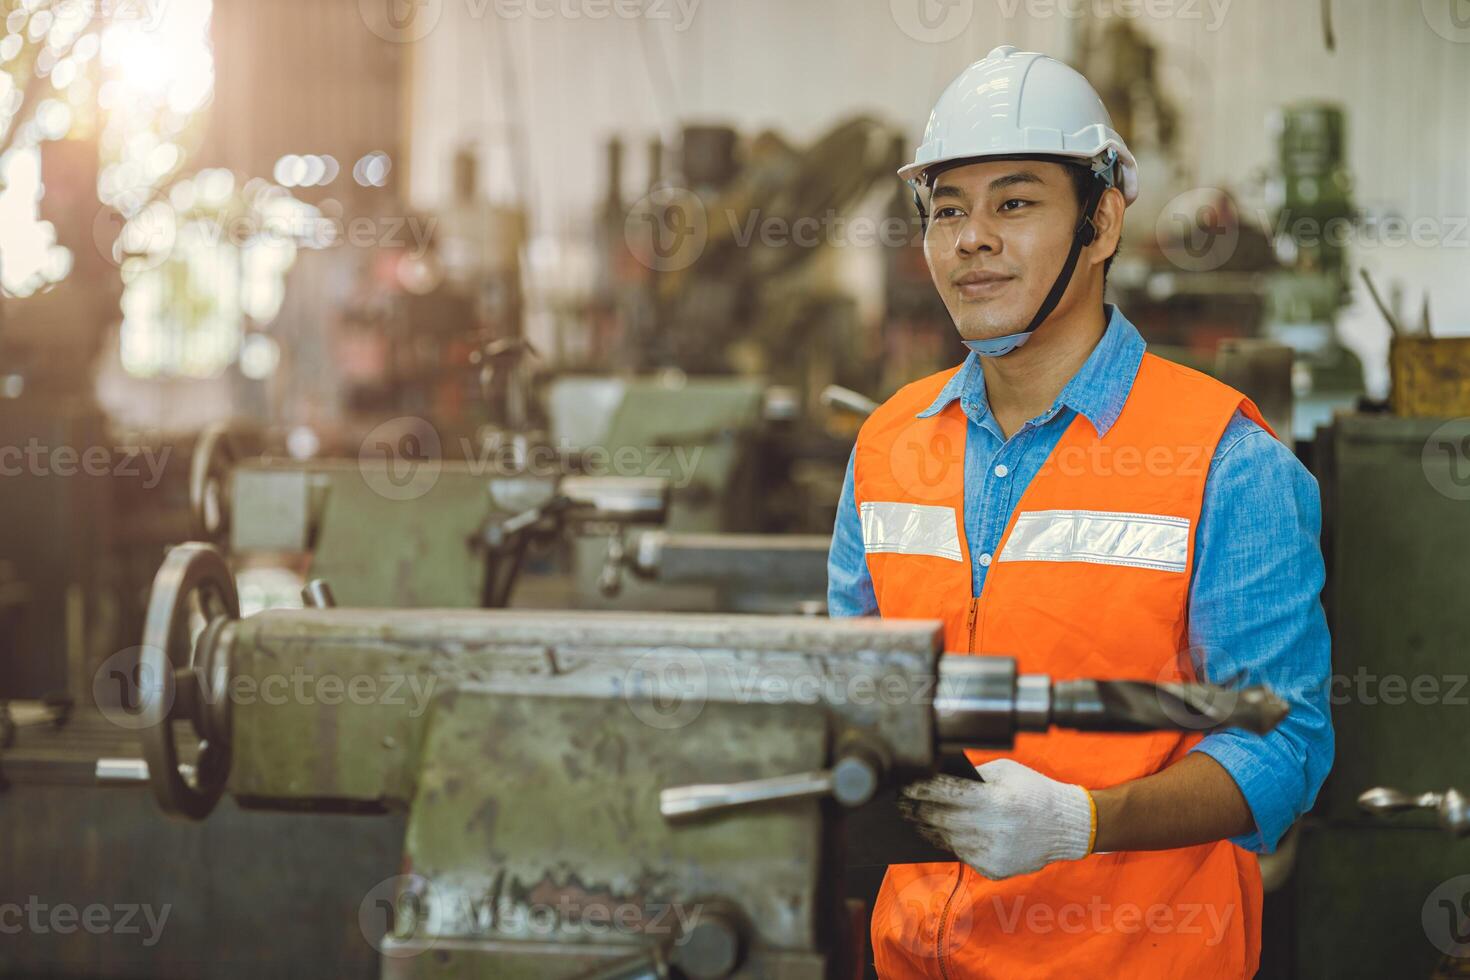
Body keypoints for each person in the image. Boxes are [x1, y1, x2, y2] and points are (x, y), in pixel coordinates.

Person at [827, 44, 1332, 978]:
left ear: (1101, 224)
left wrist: (1080, 823)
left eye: (1013, 204)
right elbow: (852, 698)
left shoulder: (1224, 461)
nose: (971, 238)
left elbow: (1287, 744)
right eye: (948, 210)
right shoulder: (888, 445)